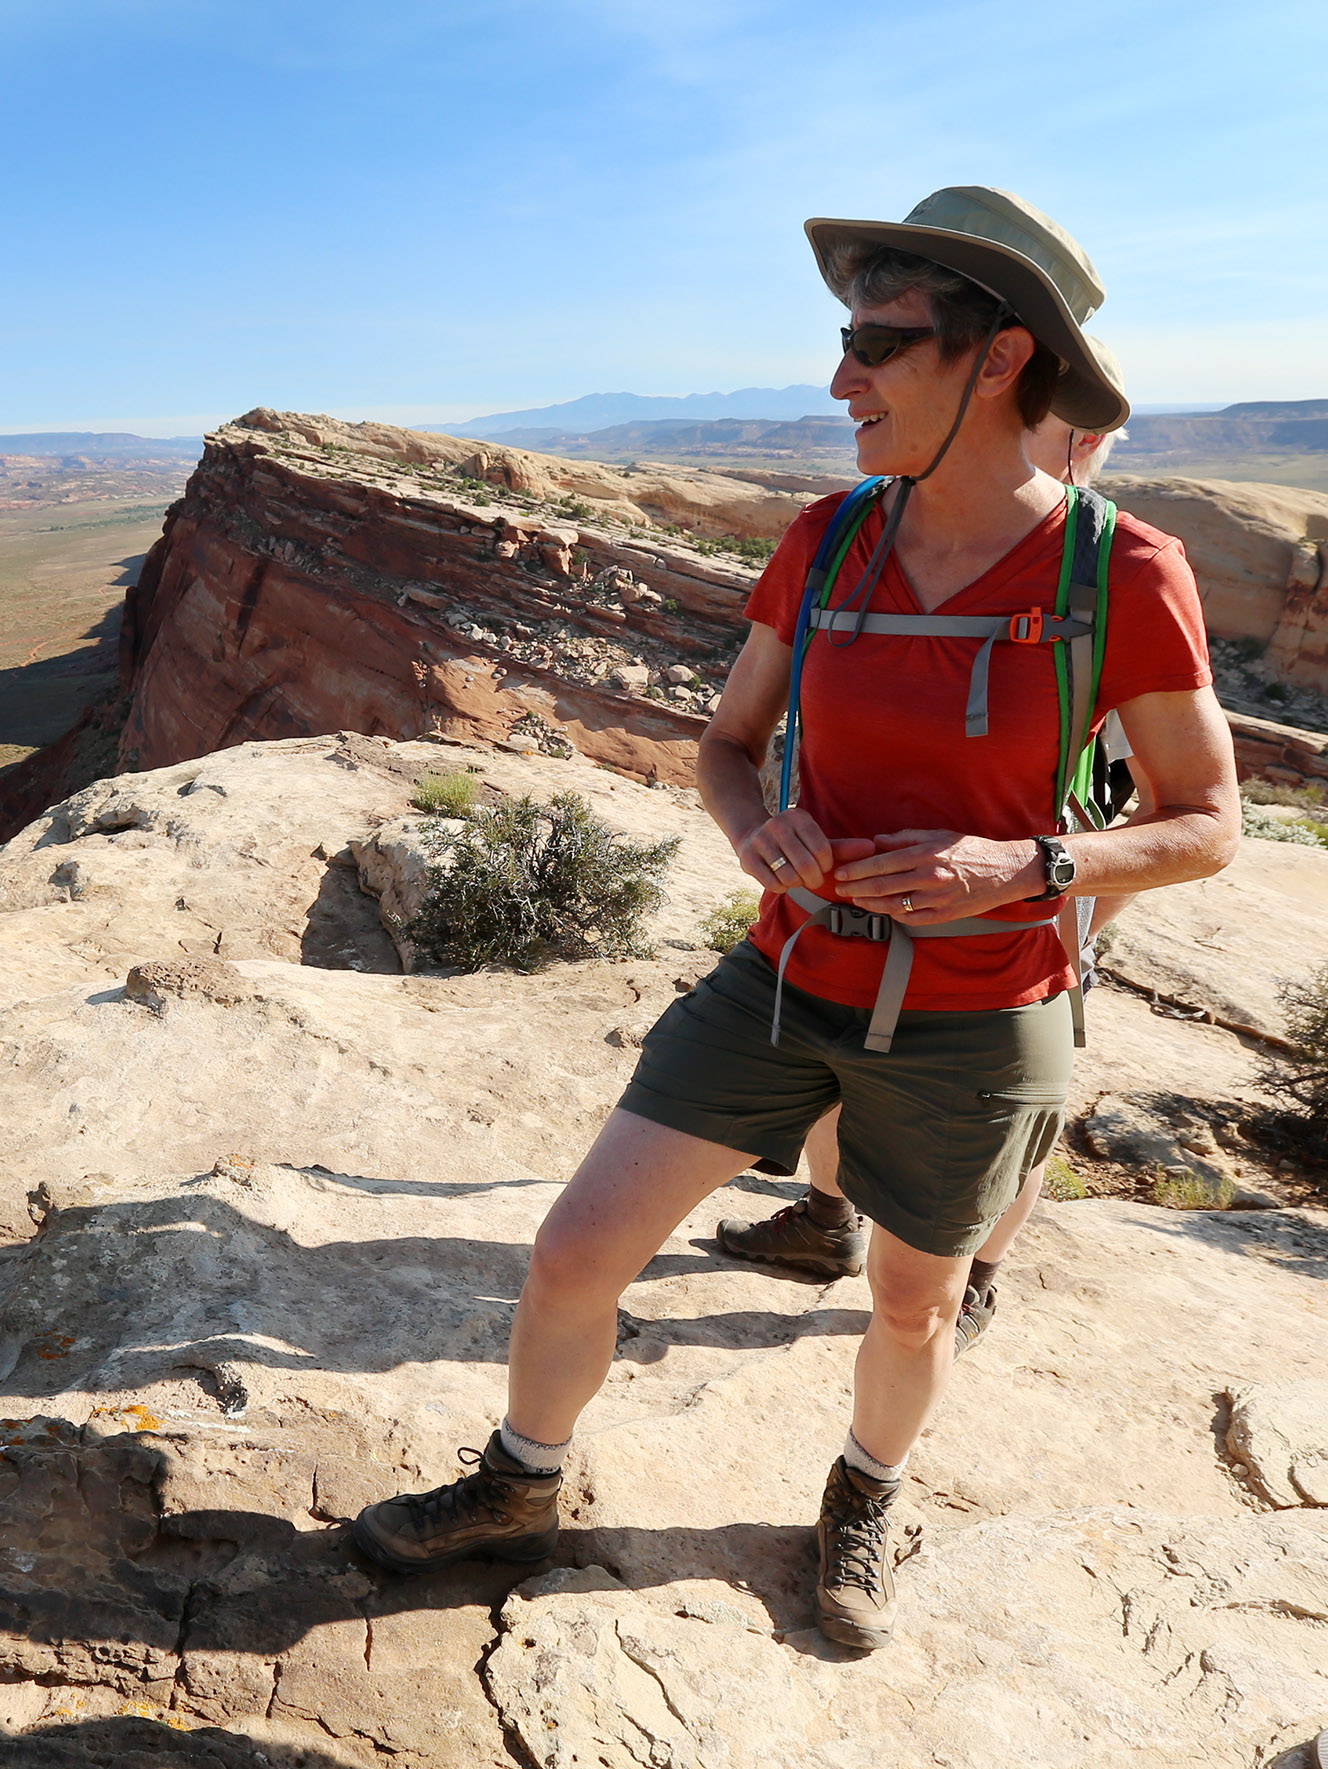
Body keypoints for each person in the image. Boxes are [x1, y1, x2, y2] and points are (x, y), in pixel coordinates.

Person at [350, 189, 1238, 1651]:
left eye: (881, 346)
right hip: (784, 976)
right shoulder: (825, 543)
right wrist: (759, 826)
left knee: (909, 1307)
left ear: (999, 359)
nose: (842, 382)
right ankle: (521, 1486)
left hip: (979, 1014)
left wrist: (1024, 870)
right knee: (577, 1249)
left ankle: (863, 1495)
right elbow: (725, 743)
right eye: (845, 342)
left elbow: (1210, 823)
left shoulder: (1117, 571)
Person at [713, 394, 1137, 1357]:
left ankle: (973, 1273)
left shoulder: (1097, 573)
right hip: (856, 889)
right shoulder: (891, 532)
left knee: (1018, 1101)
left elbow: (1163, 803)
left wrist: (1064, 906)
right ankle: (827, 1222)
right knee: (835, 1051)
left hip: (1018, 910)